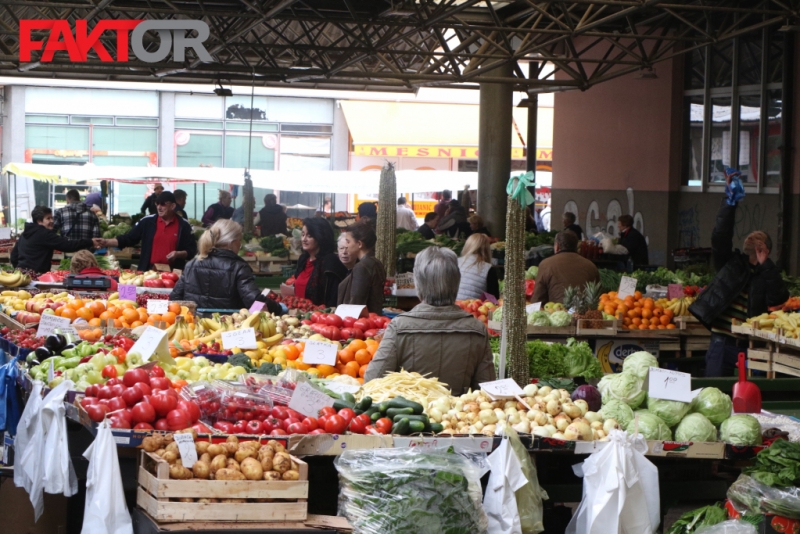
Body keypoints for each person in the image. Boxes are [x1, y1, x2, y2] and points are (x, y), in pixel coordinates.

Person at [690, 174, 789, 377]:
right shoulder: (731, 264)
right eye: (751, 238)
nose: (751, 240)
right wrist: (730, 203)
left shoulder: (767, 273)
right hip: (721, 342)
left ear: (766, 249)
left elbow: (779, 297)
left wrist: (765, 264)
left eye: (758, 240)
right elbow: (720, 236)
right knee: (715, 391)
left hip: (751, 345)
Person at [365, 246, 496, 395]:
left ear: (418, 283)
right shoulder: (477, 330)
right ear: (456, 282)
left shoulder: (399, 327)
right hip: (458, 416)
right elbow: (487, 391)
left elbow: (371, 382)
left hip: (408, 416)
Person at [170, 220, 282, 313]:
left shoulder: (192, 264)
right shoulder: (238, 267)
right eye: (239, 240)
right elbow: (255, 301)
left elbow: (174, 298)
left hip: (194, 327)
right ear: (232, 243)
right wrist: (279, 308)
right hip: (228, 327)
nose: (240, 244)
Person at [95, 191, 197, 271]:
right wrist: (106, 242)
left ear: (173, 206)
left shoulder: (183, 225)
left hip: (173, 272)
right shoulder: (147, 222)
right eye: (157, 204)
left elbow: (192, 250)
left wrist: (178, 254)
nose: (159, 207)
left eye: (163, 204)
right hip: (149, 270)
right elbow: (129, 239)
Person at [11, 206, 94, 274]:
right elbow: (67, 245)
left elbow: (14, 256)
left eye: (52, 218)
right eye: (48, 218)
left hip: (21, 274)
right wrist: (90, 241)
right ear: (39, 221)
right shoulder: (44, 234)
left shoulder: (24, 234)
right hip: (37, 276)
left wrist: (20, 270)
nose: (52, 221)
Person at [532, 231, 600, 304]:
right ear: (576, 247)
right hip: (586, 313)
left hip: (557, 312)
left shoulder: (546, 264)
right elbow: (598, 297)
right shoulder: (591, 266)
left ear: (557, 246)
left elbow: (537, 299)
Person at [294, 218, 347, 307]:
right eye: (303, 235)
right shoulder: (303, 260)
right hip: (298, 314)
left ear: (320, 237)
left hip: (320, 317)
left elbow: (334, 298)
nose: (304, 239)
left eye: (309, 236)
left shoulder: (330, 262)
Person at [338, 221, 386, 314]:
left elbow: (356, 305)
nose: (346, 246)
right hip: (372, 320)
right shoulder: (375, 262)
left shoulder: (361, 267)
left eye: (348, 242)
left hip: (362, 323)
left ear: (359, 244)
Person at [456, 233, 499, 300]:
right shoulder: (488, 268)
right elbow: (493, 299)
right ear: (487, 249)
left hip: (453, 306)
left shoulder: (455, 262)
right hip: (474, 308)